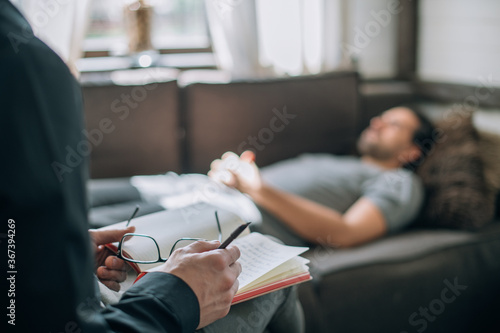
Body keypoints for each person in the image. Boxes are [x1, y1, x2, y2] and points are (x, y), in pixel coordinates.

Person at [0, 1, 302, 332]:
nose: (372, 123)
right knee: (95, 223)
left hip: (231, 200)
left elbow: (345, 230)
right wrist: (175, 296)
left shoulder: (367, 176)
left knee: (100, 230)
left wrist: (255, 187)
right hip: (196, 184)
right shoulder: (24, 67)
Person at [209, 106, 435, 247]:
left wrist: (257, 189)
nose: (377, 123)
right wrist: (233, 175)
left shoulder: (400, 181)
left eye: (393, 124)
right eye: (381, 118)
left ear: (411, 152)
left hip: (236, 216)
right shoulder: (342, 162)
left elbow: (347, 233)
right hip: (211, 191)